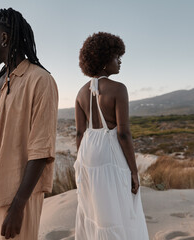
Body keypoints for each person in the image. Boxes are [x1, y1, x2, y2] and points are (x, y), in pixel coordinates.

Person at [0, 8, 58, 240]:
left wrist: (18, 205)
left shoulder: (40, 81)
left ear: (4, 38)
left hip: (16, 188)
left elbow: (41, 149)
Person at [74, 32, 149, 239]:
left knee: (94, 210)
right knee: (119, 209)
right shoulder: (118, 89)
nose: (120, 62)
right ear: (104, 60)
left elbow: (80, 132)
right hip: (110, 151)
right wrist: (134, 172)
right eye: (117, 57)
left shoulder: (81, 93)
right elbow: (123, 134)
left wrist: (81, 163)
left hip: (87, 153)